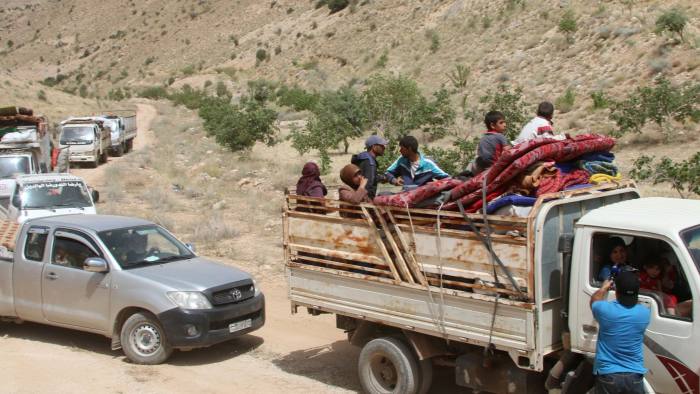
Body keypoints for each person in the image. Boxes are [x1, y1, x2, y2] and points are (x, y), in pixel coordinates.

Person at [590, 268, 650, 394]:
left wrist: (604, 287)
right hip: (635, 376)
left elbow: (594, 301)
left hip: (608, 374)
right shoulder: (644, 313)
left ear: (616, 292)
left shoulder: (604, 310)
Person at [384, 135, 449, 189]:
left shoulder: (428, 164)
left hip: (422, 198)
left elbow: (447, 178)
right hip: (406, 197)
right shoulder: (401, 160)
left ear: (409, 149)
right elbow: (388, 173)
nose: (400, 151)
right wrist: (394, 180)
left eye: (402, 148)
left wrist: (435, 184)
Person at [461, 111, 511, 177]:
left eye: (504, 122)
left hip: (479, 166)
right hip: (492, 167)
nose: (505, 125)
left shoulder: (483, 138)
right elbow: (507, 151)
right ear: (492, 125)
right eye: (501, 123)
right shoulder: (500, 136)